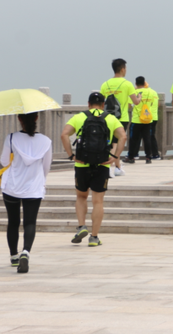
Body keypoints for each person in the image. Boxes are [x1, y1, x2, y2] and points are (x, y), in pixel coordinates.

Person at [60, 92, 126, 247]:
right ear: (103, 105)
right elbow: (123, 137)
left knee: (81, 197)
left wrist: (71, 156)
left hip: (82, 164)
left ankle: (82, 226)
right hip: (102, 164)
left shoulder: (79, 117)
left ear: (88, 104)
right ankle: (94, 237)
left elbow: (64, 135)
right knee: (98, 201)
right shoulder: (110, 118)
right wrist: (115, 156)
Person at [0, 112, 52, 274]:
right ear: (36, 118)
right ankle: (26, 252)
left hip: (12, 186)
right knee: (30, 222)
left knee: (13, 222)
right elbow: (46, 167)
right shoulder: (45, 141)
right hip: (33, 188)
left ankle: (14, 255)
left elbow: (4, 161)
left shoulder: (11, 138)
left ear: (19, 119)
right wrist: (38, 179)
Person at [100, 58, 140, 177]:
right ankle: (108, 167)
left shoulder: (105, 84)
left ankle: (117, 167)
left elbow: (102, 104)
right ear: (122, 69)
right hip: (121, 118)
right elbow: (135, 102)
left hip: (107, 118)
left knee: (112, 142)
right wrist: (139, 98)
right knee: (116, 143)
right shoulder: (127, 84)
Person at [123, 77, 159, 164]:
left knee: (133, 139)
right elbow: (154, 103)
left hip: (137, 120)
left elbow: (129, 105)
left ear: (136, 83)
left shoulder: (134, 92)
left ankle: (131, 157)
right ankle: (148, 157)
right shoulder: (151, 92)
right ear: (144, 83)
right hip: (147, 119)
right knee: (147, 138)